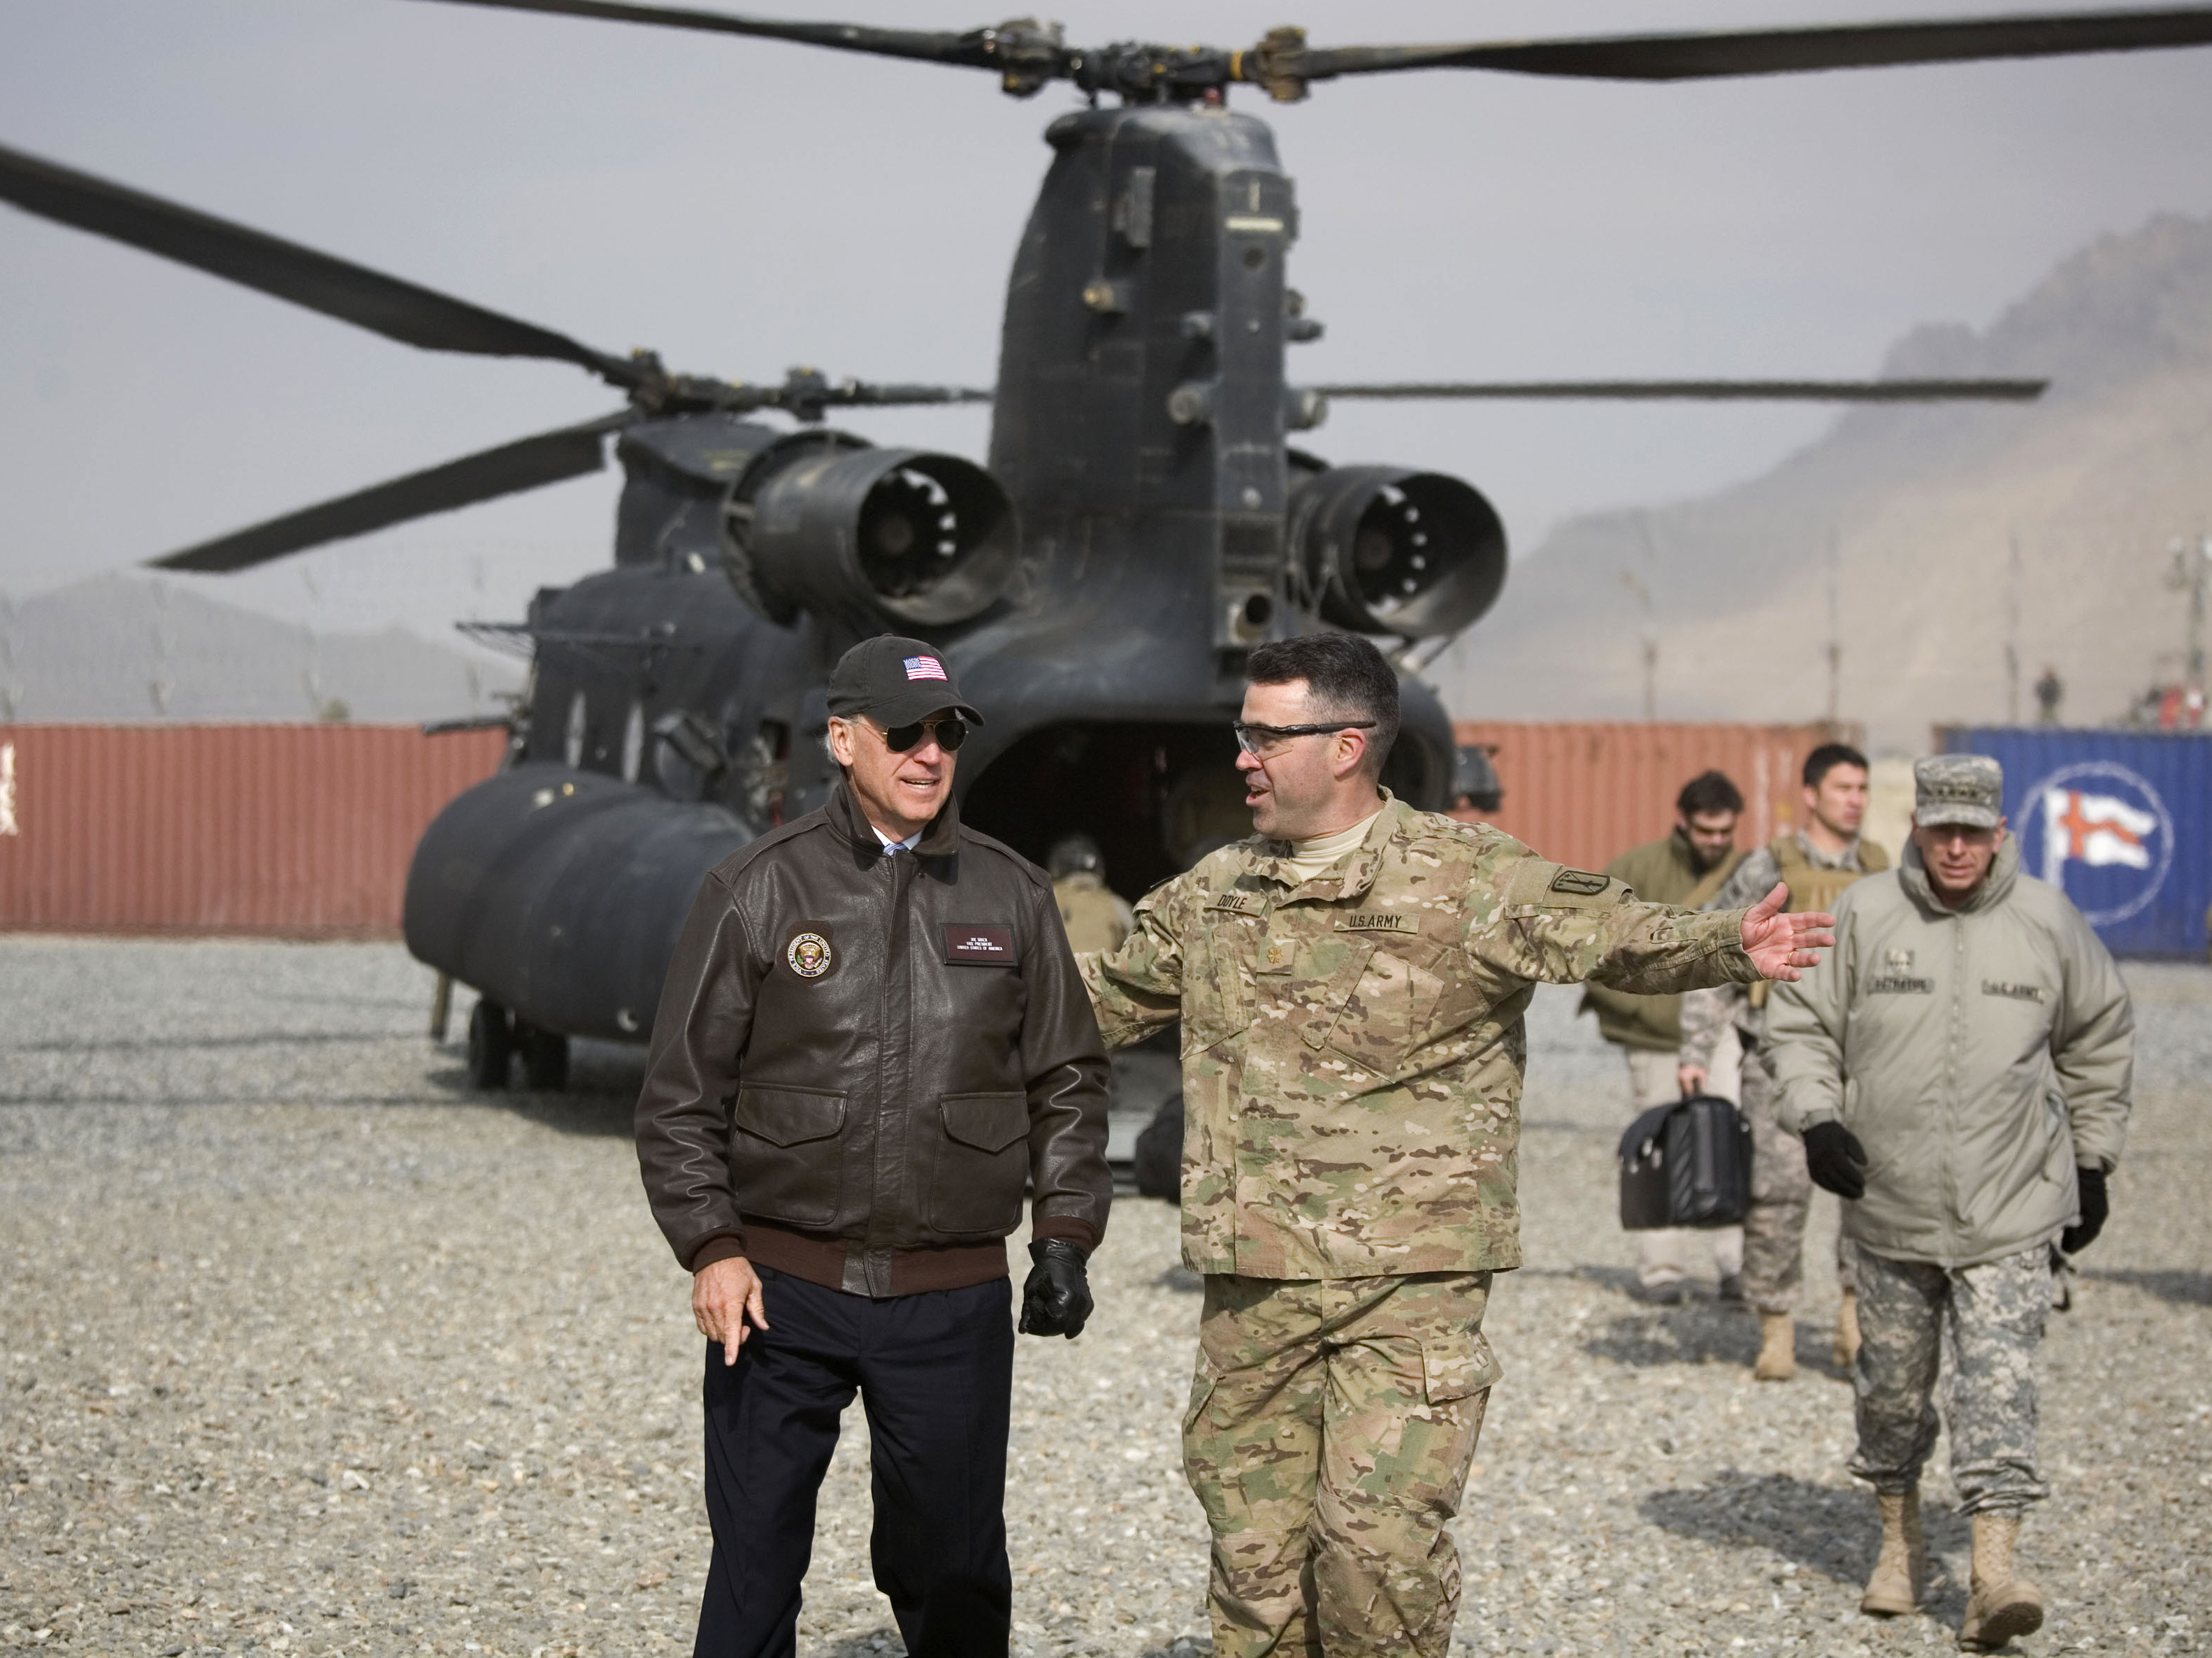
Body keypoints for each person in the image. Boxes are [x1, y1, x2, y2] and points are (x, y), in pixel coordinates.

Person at [1077, 633, 1837, 1658]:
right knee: (1255, 1568)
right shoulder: (1218, 892)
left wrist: (1725, 942)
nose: (1241, 758)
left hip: (1410, 1285)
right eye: (1241, 734)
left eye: (1265, 737)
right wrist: (929, 993)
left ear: (1347, 746)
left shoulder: (1467, 876)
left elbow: (1610, 930)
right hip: (1254, 1285)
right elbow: (1095, 1001)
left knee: (1375, 1560)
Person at [634, 634, 1113, 1658]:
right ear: (843, 739)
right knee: (755, 1566)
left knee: (954, 1570)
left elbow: (1068, 1079)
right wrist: (712, 1247)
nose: (930, 754)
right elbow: (679, 1096)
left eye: (946, 733)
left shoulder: (1014, 894)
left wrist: (1066, 1235)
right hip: (780, 1291)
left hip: (951, 1298)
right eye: (904, 733)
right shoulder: (756, 888)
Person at [1768, 755, 2132, 1645]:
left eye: (1973, 831)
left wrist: (2092, 1164)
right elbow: (1803, 1025)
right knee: (1890, 1397)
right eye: (1942, 831)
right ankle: (1898, 1544)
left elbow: (2098, 1039)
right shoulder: (1864, 914)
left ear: (2000, 832)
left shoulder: (2048, 921)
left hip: (2011, 1208)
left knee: (2001, 1389)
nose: (1957, 848)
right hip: (1890, 1209)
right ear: (1918, 829)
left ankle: (1992, 1574)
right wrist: (1818, 1120)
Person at [1678, 741, 1886, 1380]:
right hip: (1776, 1054)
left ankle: (1854, 1319)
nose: (1855, 800)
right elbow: (1719, 950)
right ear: (1812, 794)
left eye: (1862, 788)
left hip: (1864, 1057)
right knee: (1775, 1195)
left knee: (1867, 1190)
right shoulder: (1768, 866)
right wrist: (1695, 1048)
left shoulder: (1882, 869)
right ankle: (1775, 1326)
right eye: (1843, 788)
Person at [1582, 769, 1749, 1303]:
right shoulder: (1637, 869)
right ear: (1683, 821)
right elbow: (1586, 940)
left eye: (1724, 832)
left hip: (1721, 1035)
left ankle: (1736, 1267)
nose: (1716, 841)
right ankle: (1662, 1272)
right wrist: (1638, 1010)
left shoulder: (1746, 872)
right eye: (1706, 830)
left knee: (1731, 1141)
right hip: (1653, 1041)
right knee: (1657, 1149)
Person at [1048, 833, 1136, 954]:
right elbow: (1138, 951)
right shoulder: (1117, 905)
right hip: (1100, 967)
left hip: (1059, 966)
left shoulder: (1047, 899)